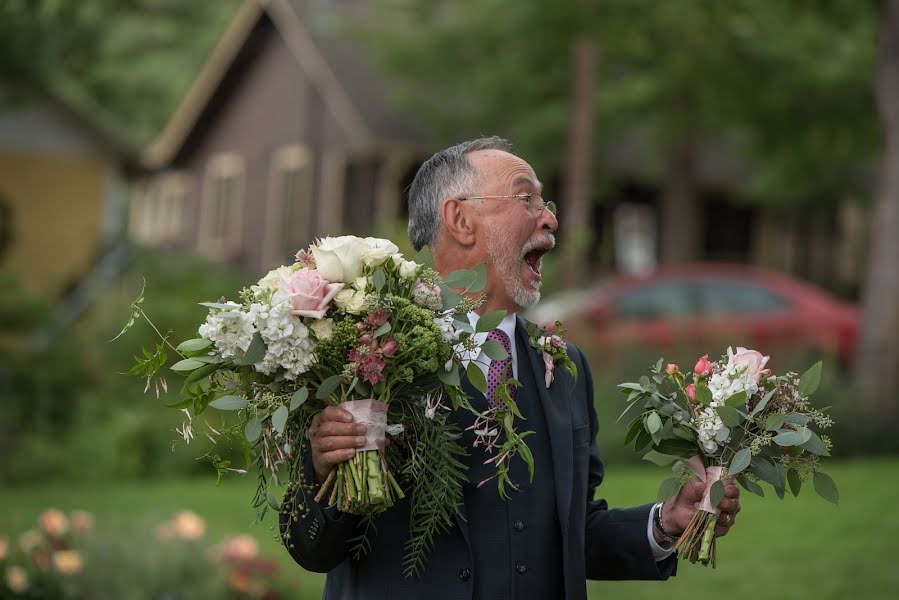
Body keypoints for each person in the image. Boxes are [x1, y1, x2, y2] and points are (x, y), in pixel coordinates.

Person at [280, 137, 741, 599]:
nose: (550, 219)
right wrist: (325, 473)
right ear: (460, 220)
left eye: (546, 201)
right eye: (527, 199)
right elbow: (311, 547)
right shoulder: (362, 349)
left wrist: (664, 525)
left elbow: (572, 535)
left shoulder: (565, 368)